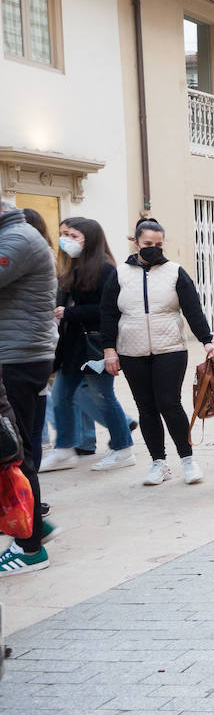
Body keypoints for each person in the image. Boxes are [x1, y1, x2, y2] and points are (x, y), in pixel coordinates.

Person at [101, 218, 214, 486]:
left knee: (169, 402)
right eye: (147, 244)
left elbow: (193, 309)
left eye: (158, 245)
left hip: (170, 348)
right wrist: (109, 348)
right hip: (131, 350)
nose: (153, 249)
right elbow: (108, 313)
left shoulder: (175, 272)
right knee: (146, 407)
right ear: (135, 242)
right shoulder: (119, 273)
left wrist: (207, 341)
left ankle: (188, 459)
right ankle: (158, 463)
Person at [43, 217, 136, 473]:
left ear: (89, 239)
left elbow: (107, 310)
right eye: (63, 234)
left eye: (73, 235)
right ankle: (63, 449)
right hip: (71, 345)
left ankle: (123, 448)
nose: (66, 240)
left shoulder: (106, 269)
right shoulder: (70, 269)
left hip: (95, 344)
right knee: (61, 395)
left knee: (102, 397)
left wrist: (68, 313)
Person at [0, 201, 59, 575]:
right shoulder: (16, 235)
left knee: (15, 453)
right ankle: (34, 524)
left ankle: (30, 546)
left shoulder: (16, 239)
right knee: (16, 449)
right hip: (19, 355)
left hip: (18, 359)